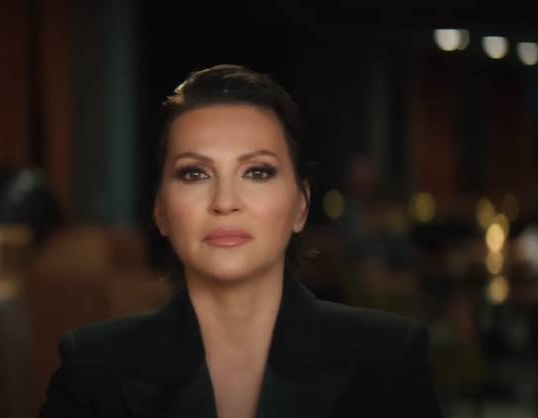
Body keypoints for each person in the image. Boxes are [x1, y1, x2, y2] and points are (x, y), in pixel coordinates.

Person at [40, 64, 441, 418]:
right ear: (160, 210)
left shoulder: (389, 358)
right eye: (195, 174)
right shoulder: (92, 368)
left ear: (301, 205)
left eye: (257, 172)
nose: (225, 202)